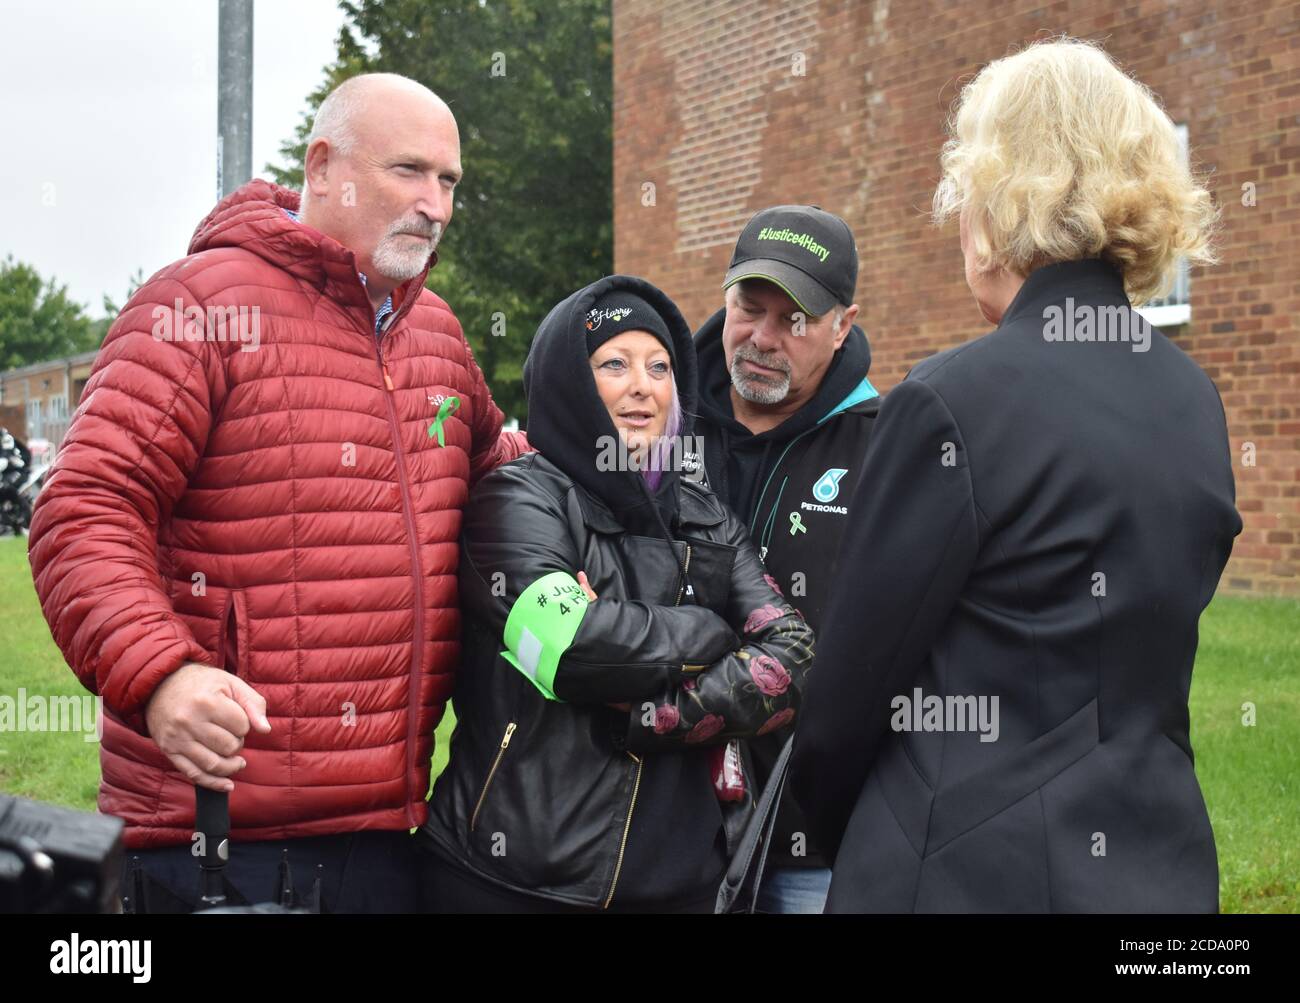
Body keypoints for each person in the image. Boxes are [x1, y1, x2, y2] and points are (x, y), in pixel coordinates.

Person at [26, 73, 529, 912]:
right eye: (410, 171)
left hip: (388, 832)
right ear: (324, 166)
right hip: (220, 843)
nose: (435, 204)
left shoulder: (434, 329)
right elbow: (85, 507)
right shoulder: (197, 306)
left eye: (450, 182)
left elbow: (501, 470)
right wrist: (161, 678)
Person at [789, 37, 1241, 912]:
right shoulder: (1194, 400)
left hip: (962, 871)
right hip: (1160, 870)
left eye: (964, 197)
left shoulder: (950, 401)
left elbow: (844, 700)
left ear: (999, 205)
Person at [417, 276, 815, 913]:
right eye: (613, 364)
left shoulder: (706, 516)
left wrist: (649, 716)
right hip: (515, 881)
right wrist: (716, 630)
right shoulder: (518, 499)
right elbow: (567, 649)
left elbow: (795, 658)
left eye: (659, 366)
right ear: (571, 383)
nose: (643, 386)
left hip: (690, 885)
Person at [687, 205, 879, 912]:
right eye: (749, 307)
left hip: (809, 837)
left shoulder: (885, 449)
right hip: (664, 822)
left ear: (842, 325)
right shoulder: (657, 422)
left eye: (795, 319)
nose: (764, 338)